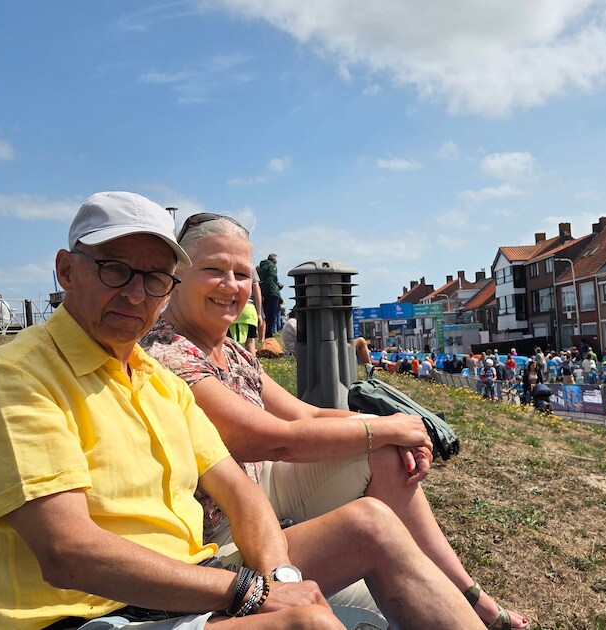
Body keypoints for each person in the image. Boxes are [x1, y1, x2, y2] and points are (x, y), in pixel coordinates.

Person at [0, 192, 484, 630]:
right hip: (80, 613)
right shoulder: (11, 380)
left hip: (181, 583)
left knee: (370, 524)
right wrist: (251, 592)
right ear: (66, 270)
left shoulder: (154, 379)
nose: (135, 293)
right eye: (114, 269)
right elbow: (67, 553)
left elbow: (242, 491)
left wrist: (281, 576)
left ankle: (473, 604)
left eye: (153, 278)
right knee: (305, 623)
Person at [142, 214, 528, 629]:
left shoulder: (231, 351)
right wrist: (387, 427)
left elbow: (305, 413)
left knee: (386, 456)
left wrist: (391, 427)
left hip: (253, 490)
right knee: (374, 506)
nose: (231, 286)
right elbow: (269, 441)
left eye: (241, 274)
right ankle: (458, 603)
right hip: (218, 530)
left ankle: (468, 594)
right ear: (175, 275)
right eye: (213, 270)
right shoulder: (169, 354)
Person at [256, 253, 283, 338]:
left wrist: (262, 293)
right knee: (272, 316)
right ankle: (270, 336)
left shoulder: (262, 267)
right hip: (271, 294)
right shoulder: (272, 267)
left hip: (264, 294)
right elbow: (271, 280)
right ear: (275, 260)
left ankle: (265, 335)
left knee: (266, 316)